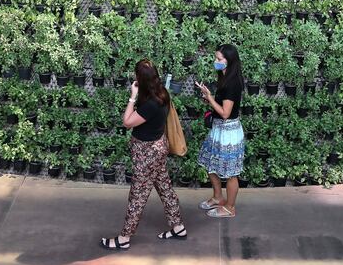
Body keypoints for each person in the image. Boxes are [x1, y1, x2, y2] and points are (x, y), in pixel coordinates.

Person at [100, 59, 186, 251]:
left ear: (141, 80)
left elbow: (127, 121)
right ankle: (178, 227)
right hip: (157, 149)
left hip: (147, 154)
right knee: (164, 187)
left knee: (137, 196)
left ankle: (124, 238)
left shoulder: (151, 104)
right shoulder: (162, 93)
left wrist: (132, 97)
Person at [195, 44, 246, 218]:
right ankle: (218, 197)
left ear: (229, 61)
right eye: (216, 58)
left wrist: (209, 98)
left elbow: (225, 113)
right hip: (219, 130)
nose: (215, 62)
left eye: (219, 59)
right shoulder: (224, 77)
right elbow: (221, 107)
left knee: (231, 173)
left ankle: (230, 208)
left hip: (229, 132)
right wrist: (209, 98)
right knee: (210, 164)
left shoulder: (232, 83)